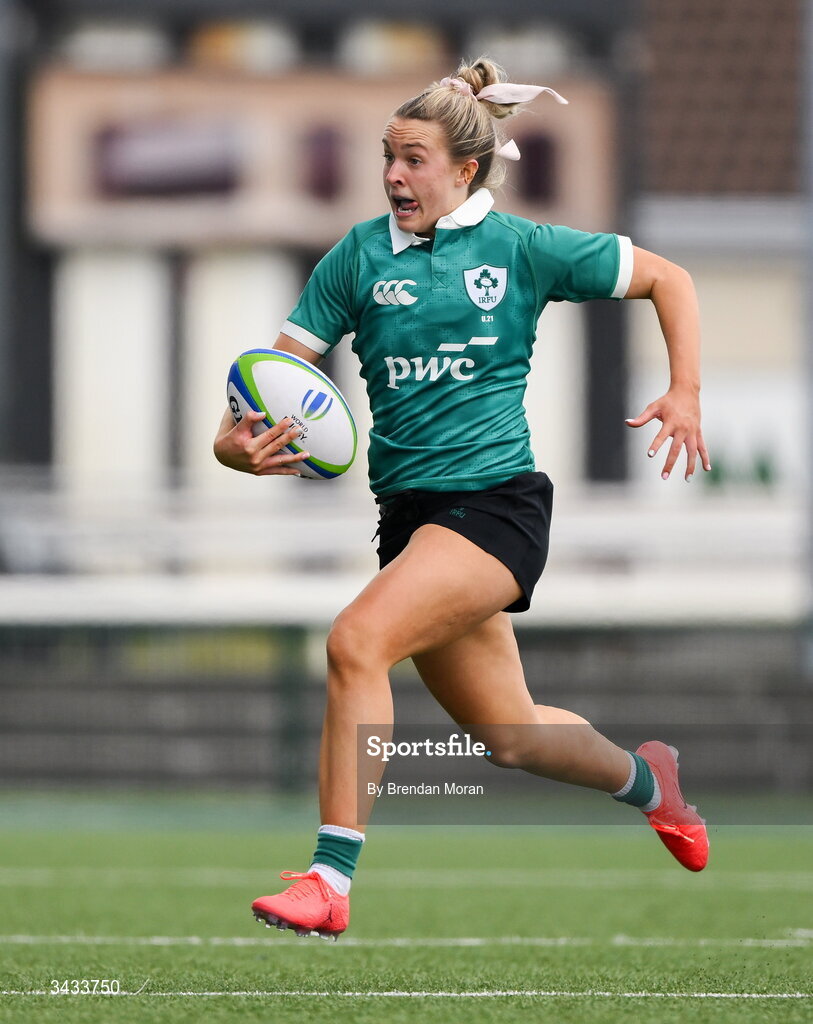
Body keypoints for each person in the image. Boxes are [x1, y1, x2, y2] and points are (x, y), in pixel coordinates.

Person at [214, 57, 711, 942]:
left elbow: (669, 278)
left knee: (355, 640)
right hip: (409, 521)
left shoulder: (521, 248)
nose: (393, 174)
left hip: (494, 508)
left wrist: (685, 393)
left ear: (464, 170)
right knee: (509, 734)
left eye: (412, 158)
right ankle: (650, 782)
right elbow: (269, 386)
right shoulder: (357, 255)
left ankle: (330, 879)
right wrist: (233, 447)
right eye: (387, 156)